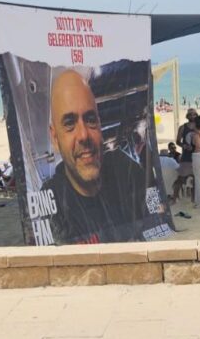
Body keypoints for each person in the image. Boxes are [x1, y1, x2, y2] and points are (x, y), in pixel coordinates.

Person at [40, 70, 148, 243]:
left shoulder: (126, 170)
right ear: (55, 138)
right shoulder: (52, 200)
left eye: (90, 120)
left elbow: (155, 217)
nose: (83, 135)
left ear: (99, 125)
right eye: (69, 124)